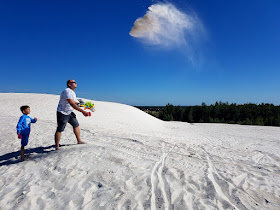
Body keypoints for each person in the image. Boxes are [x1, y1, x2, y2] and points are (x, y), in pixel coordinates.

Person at [55, 79, 89, 150]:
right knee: (60, 129)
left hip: (70, 112)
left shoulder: (72, 92)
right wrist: (82, 111)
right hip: (63, 112)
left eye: (75, 82)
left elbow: (75, 103)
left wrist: (86, 105)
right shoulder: (67, 91)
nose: (75, 83)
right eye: (73, 82)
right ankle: (57, 146)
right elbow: (71, 103)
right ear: (69, 84)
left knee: (76, 125)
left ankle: (79, 140)